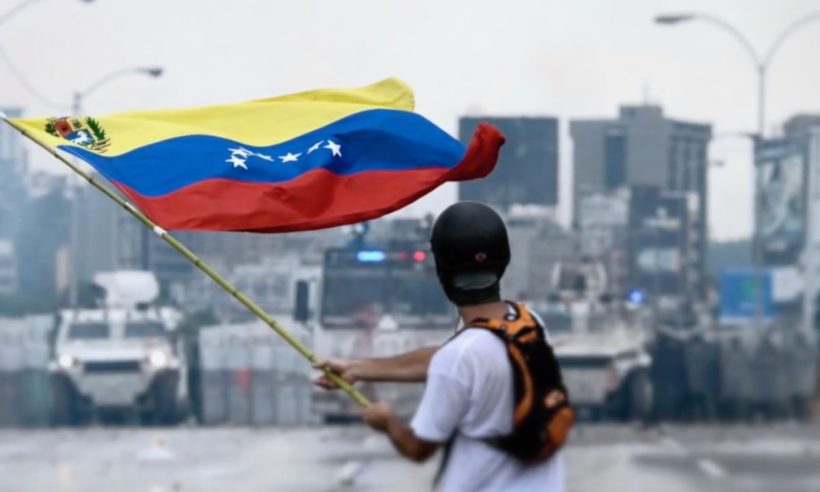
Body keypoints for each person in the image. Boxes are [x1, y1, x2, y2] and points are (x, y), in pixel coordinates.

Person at [315, 201, 566, 491]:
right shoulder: (528, 322)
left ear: (441, 270)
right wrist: (358, 368)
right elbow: (454, 360)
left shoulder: (460, 358)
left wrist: (387, 422)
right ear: (503, 260)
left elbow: (418, 448)